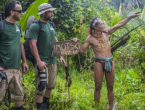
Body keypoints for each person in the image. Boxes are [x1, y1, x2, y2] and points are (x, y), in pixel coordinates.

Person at [79, 12, 140, 110]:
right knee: (98, 86)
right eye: (101, 24)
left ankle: (111, 108)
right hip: (99, 63)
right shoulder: (90, 38)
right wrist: (76, 42)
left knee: (110, 86)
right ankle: (96, 107)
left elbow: (119, 24)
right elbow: (81, 51)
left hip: (109, 62)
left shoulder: (106, 32)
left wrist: (131, 16)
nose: (103, 25)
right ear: (95, 26)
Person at [28, 3, 65, 110]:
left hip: (52, 61)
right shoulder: (35, 26)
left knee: (50, 85)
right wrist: (38, 61)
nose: (52, 14)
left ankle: (45, 105)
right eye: (50, 12)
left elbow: (55, 40)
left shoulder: (51, 25)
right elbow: (32, 44)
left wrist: (60, 56)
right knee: (41, 86)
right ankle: (40, 107)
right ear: (44, 13)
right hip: (42, 62)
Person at [0, 1, 29, 110]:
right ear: (12, 12)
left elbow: (20, 44)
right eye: (20, 11)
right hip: (4, 69)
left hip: (16, 69)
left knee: (18, 95)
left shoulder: (17, 26)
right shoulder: (1, 26)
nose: (22, 13)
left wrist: (24, 62)